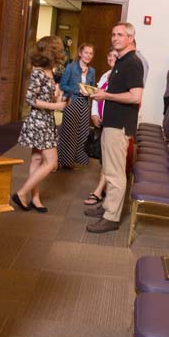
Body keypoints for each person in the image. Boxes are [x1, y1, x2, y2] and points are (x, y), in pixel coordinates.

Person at [86, 22, 144, 233]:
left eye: (120, 34)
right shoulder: (121, 61)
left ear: (130, 38)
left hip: (119, 126)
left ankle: (111, 217)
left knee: (116, 173)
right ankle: (109, 207)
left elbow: (135, 96)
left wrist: (106, 95)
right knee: (109, 170)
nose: (115, 37)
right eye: (113, 34)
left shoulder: (133, 63)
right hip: (112, 123)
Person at [12, 36, 66, 213]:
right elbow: (30, 99)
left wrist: (57, 95)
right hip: (39, 121)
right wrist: (55, 105)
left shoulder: (50, 72)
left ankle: (35, 198)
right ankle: (21, 193)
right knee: (51, 163)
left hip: (46, 121)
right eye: (58, 48)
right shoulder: (38, 72)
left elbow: (46, 97)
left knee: (36, 159)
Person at [84, 48, 118, 206]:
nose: (111, 58)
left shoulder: (119, 76)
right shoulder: (106, 74)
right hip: (102, 121)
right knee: (104, 158)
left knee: (107, 160)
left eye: (115, 56)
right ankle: (103, 189)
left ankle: (98, 191)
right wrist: (94, 114)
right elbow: (97, 96)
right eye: (109, 55)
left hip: (113, 123)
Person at [57, 42, 96, 169]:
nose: (88, 56)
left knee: (82, 133)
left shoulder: (92, 71)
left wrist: (91, 91)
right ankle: (61, 161)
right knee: (68, 133)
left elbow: (92, 87)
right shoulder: (71, 67)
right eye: (86, 52)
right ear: (80, 53)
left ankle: (72, 162)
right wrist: (77, 90)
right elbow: (63, 85)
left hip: (84, 105)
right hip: (72, 102)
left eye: (91, 53)